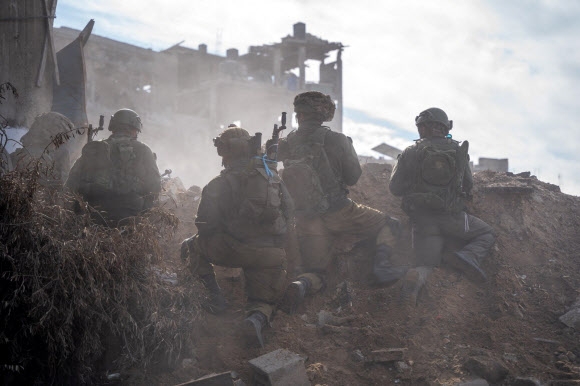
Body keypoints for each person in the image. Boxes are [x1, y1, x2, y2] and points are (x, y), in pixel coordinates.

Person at [273, 91, 405, 313]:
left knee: (318, 273)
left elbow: (268, 162)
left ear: (299, 115)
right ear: (324, 114)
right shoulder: (337, 139)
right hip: (340, 212)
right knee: (390, 223)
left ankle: (301, 285)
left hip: (305, 219)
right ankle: (382, 269)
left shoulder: (287, 143)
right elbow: (353, 177)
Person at [181, 125, 292, 347]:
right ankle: (256, 318)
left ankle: (214, 299)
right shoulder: (272, 178)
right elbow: (289, 212)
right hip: (271, 254)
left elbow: (204, 225)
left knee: (191, 246)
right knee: (262, 301)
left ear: (224, 152)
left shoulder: (218, 183)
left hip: (233, 248)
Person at [389, 107, 495, 304]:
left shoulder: (410, 152)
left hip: (422, 222)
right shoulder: (457, 151)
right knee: (486, 233)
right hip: (453, 219)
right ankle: (467, 256)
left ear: (422, 128)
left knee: (426, 265)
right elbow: (468, 185)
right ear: (445, 127)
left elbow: (395, 188)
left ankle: (416, 277)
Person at [66, 108, 161, 225]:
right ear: (134, 128)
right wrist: (144, 211)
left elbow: (72, 182)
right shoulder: (143, 149)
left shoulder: (96, 148)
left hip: (94, 212)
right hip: (130, 214)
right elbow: (155, 185)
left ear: (113, 125)